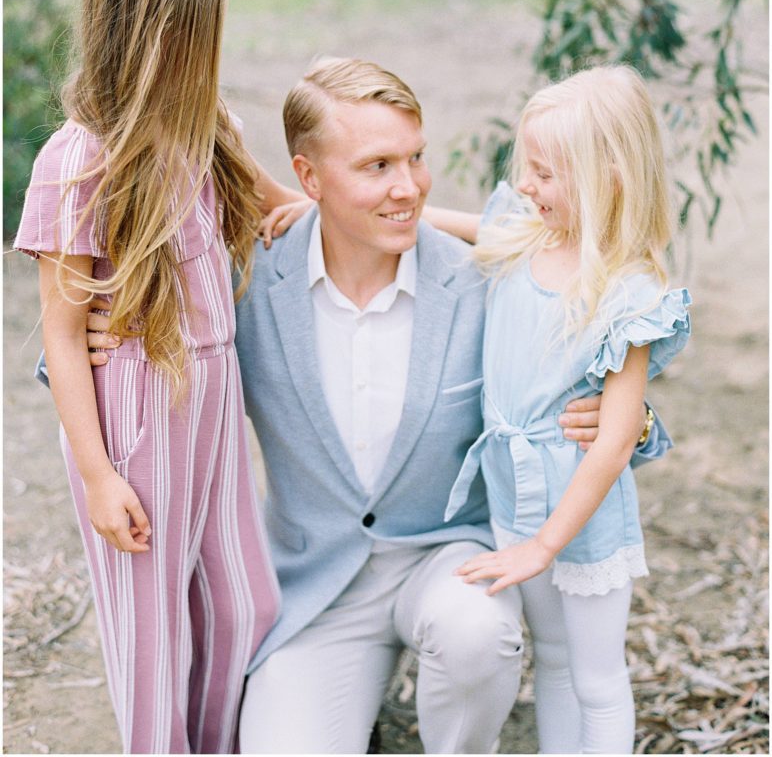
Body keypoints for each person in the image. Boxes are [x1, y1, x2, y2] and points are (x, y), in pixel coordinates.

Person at [82, 57, 670, 754]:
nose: (410, 188)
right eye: (378, 166)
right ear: (309, 178)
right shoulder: (248, 289)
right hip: (319, 587)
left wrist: (635, 426)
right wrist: (121, 333)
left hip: (450, 559)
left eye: (416, 159)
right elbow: (130, 368)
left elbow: (579, 350)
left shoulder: (486, 277)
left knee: (481, 635)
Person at [14, 0, 301, 754]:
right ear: (138, 37)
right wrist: (100, 476)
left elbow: (293, 209)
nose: (205, 56)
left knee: (247, 602)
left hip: (216, 398)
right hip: (138, 408)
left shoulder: (210, 131)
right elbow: (65, 336)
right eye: (190, 36)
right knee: (153, 638)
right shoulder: (79, 159)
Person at [440, 65, 691, 753]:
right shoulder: (526, 238)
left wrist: (545, 545)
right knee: (550, 661)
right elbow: (454, 225)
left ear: (607, 174)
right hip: (509, 496)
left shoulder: (627, 290)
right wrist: (330, 208)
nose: (526, 185)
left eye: (545, 174)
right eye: (528, 168)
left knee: (597, 678)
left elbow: (614, 441)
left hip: (579, 518)